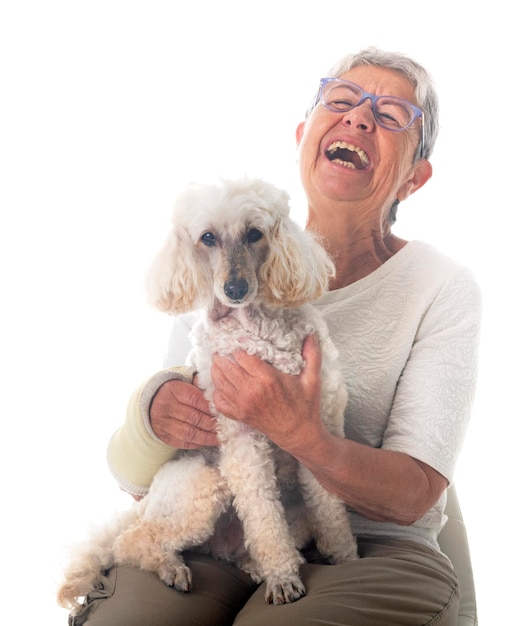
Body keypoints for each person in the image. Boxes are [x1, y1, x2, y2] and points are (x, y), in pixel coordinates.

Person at [74, 47, 481, 625]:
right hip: (223, 527)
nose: (359, 118)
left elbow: (415, 493)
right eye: (340, 101)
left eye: (389, 115)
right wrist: (153, 416)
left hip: (375, 545)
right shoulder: (218, 273)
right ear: (303, 136)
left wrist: (303, 434)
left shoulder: (441, 287)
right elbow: (140, 480)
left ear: (416, 177)